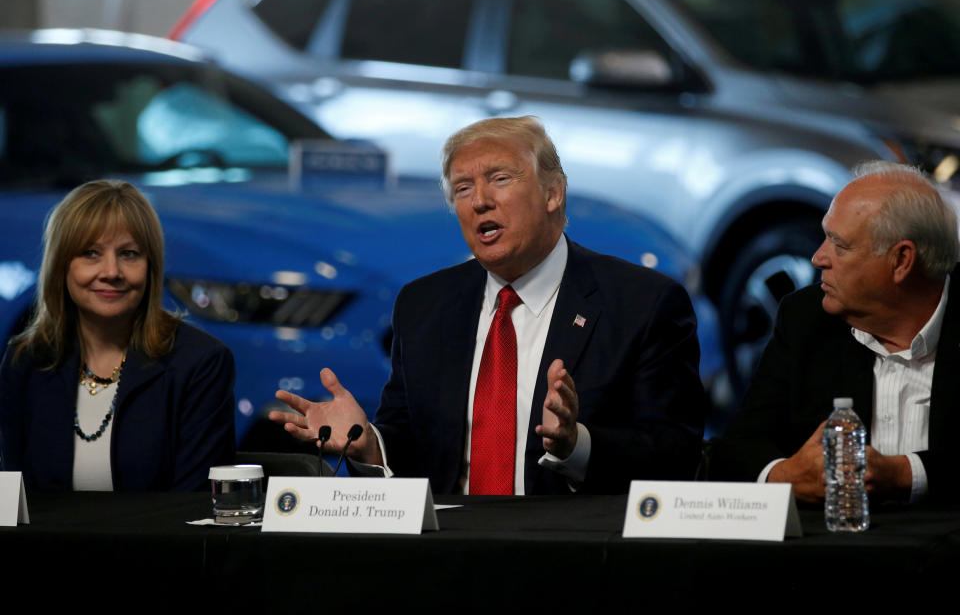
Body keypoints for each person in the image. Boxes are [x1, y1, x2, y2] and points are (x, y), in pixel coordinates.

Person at [270, 116, 705, 494]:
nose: (479, 201)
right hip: (447, 549)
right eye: (463, 188)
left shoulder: (641, 304)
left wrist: (578, 445)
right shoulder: (424, 305)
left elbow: (675, 455)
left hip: (574, 554)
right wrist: (369, 445)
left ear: (553, 193)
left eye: (500, 179)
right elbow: (410, 448)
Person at [710, 161, 960, 504]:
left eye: (839, 246)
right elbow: (736, 449)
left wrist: (904, 474)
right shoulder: (805, 318)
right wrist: (785, 477)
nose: (817, 258)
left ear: (902, 260)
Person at [0, 179, 236, 491]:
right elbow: (12, 504)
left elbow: (194, 509)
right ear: (61, 267)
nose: (111, 272)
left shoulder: (201, 364)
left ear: (150, 267)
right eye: (91, 253)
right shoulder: (26, 361)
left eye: (129, 254)